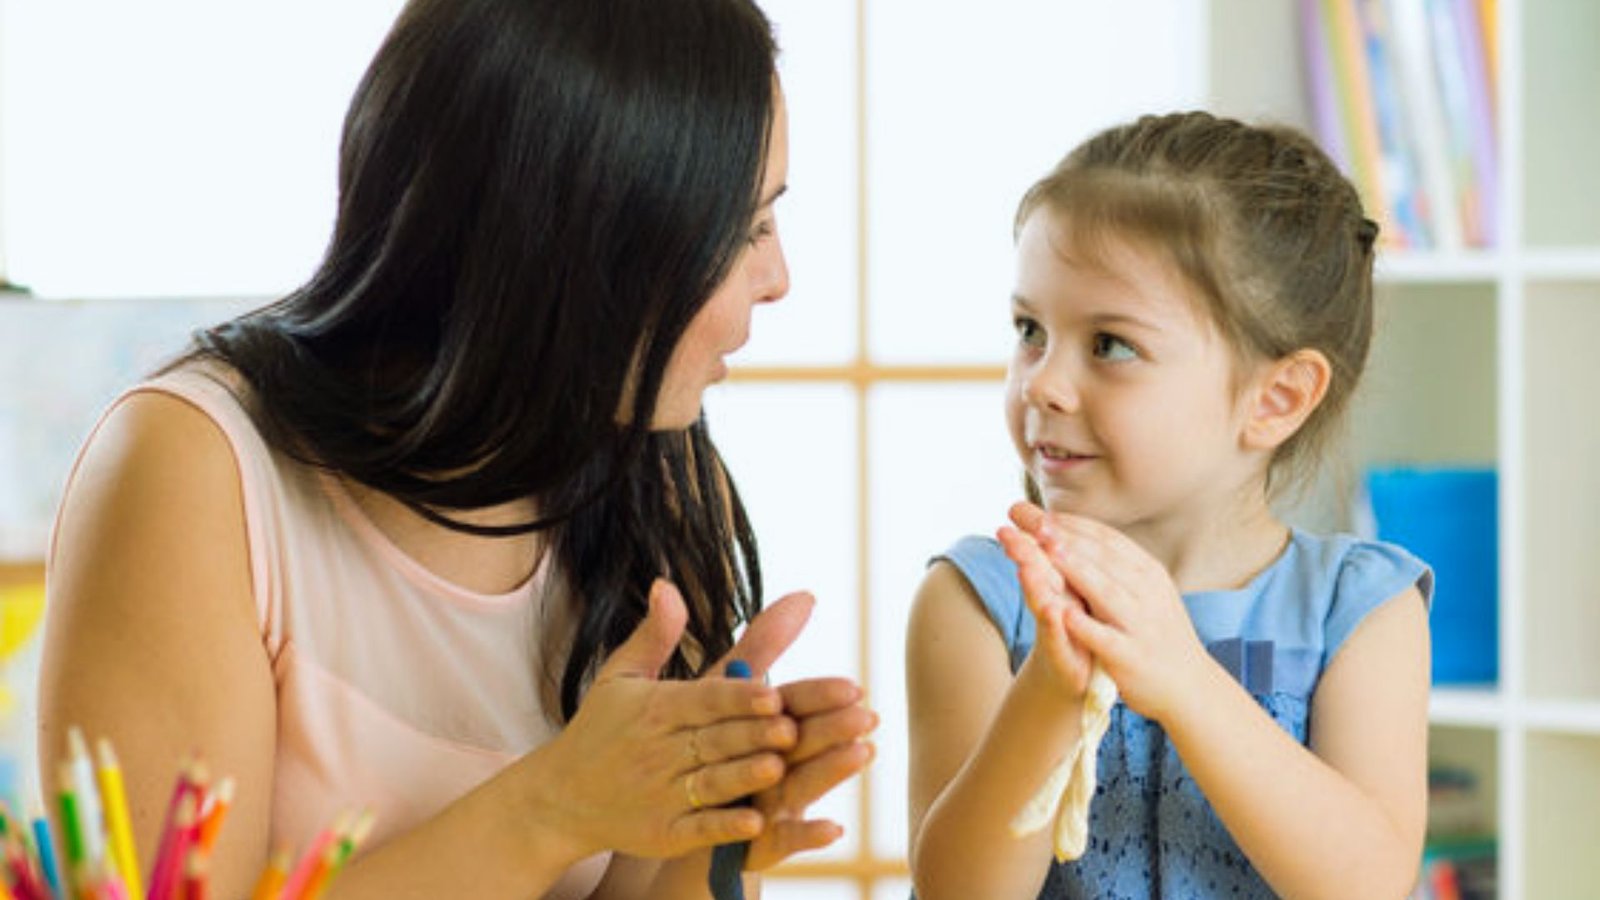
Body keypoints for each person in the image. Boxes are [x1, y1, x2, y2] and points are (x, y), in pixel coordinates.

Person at [37, 0, 877, 897]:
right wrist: (551, 809)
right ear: (585, 242)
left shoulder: (655, 482)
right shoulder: (195, 467)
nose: (780, 279)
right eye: (747, 229)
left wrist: (702, 834)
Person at [907, 111, 1432, 899]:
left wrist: (1184, 679)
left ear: (1276, 399)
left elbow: (1368, 885)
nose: (1043, 383)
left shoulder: (1361, 614)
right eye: (1030, 330)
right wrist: (1051, 691)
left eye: (1110, 345)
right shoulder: (976, 602)